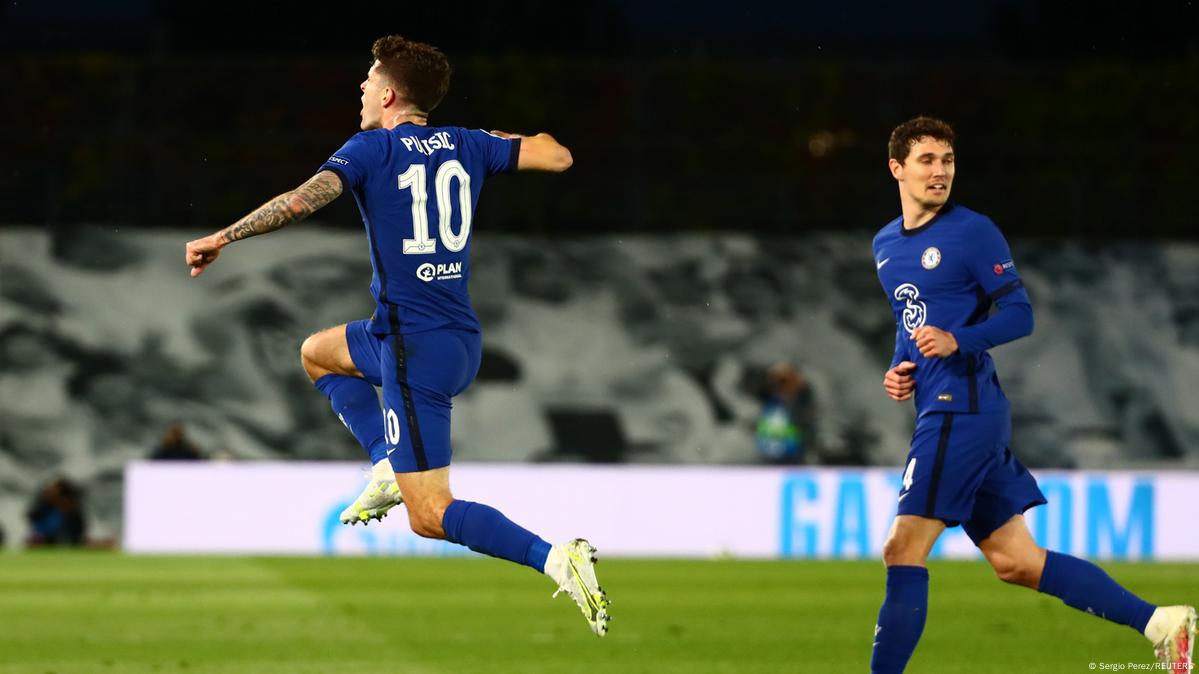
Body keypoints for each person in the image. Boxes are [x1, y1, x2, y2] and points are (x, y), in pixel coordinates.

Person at [184, 35, 608, 636]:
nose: (360, 88)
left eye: (368, 79)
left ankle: (555, 558)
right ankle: (386, 464)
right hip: (449, 337)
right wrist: (478, 140)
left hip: (412, 353)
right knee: (316, 353)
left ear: (387, 94)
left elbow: (304, 200)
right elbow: (559, 156)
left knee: (429, 516)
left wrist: (222, 237)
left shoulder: (371, 149)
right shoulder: (467, 144)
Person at [869, 116, 1194, 672]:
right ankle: (1162, 622)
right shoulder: (885, 245)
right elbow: (912, 319)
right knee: (1016, 561)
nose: (940, 171)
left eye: (947, 160)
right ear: (897, 168)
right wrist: (901, 366)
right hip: (949, 406)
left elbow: (1019, 313)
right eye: (927, 160)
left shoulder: (972, 231)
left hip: (962, 409)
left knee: (902, 549)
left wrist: (959, 340)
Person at [26, 477, 86, 546]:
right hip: (47, 543)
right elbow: (32, 516)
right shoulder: (46, 507)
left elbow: (78, 533)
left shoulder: (73, 514)